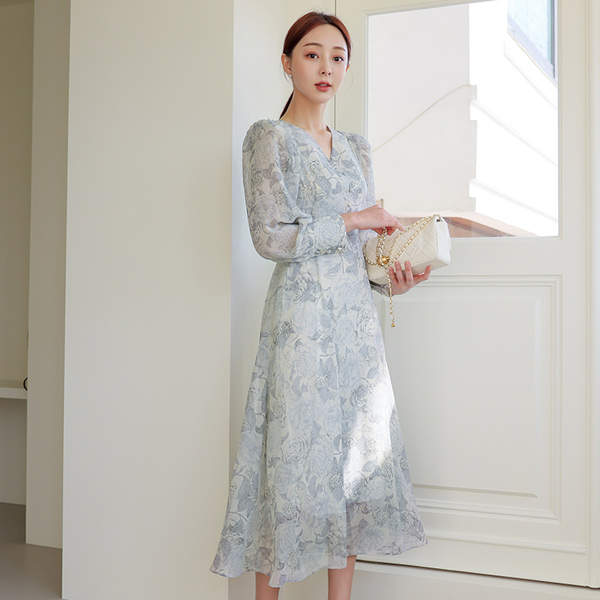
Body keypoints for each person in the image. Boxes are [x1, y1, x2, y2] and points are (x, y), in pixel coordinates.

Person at [209, 10, 430, 600]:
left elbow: (362, 255)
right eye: (312, 54)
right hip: (300, 324)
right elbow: (270, 238)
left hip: (357, 330)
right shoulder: (268, 138)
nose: (326, 67)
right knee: (291, 467)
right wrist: (354, 218)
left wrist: (393, 280)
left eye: (337, 57)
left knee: (353, 469)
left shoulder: (357, 149)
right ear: (287, 63)